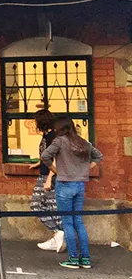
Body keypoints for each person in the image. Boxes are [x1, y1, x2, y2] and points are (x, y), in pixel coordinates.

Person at [41, 117, 103, 269]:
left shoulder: (59, 141)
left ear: (59, 128)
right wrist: (86, 169)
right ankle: (86, 259)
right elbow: (98, 156)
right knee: (79, 221)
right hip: (80, 185)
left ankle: (73, 258)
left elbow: (45, 156)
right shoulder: (83, 142)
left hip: (64, 184)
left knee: (67, 222)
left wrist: (56, 171)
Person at [27, 110, 64, 252]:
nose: (35, 123)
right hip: (46, 174)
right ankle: (58, 236)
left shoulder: (52, 137)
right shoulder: (47, 135)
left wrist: (49, 179)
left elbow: (55, 159)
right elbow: (46, 154)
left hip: (49, 176)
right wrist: (39, 162)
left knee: (40, 205)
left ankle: (58, 234)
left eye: (36, 121)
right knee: (47, 205)